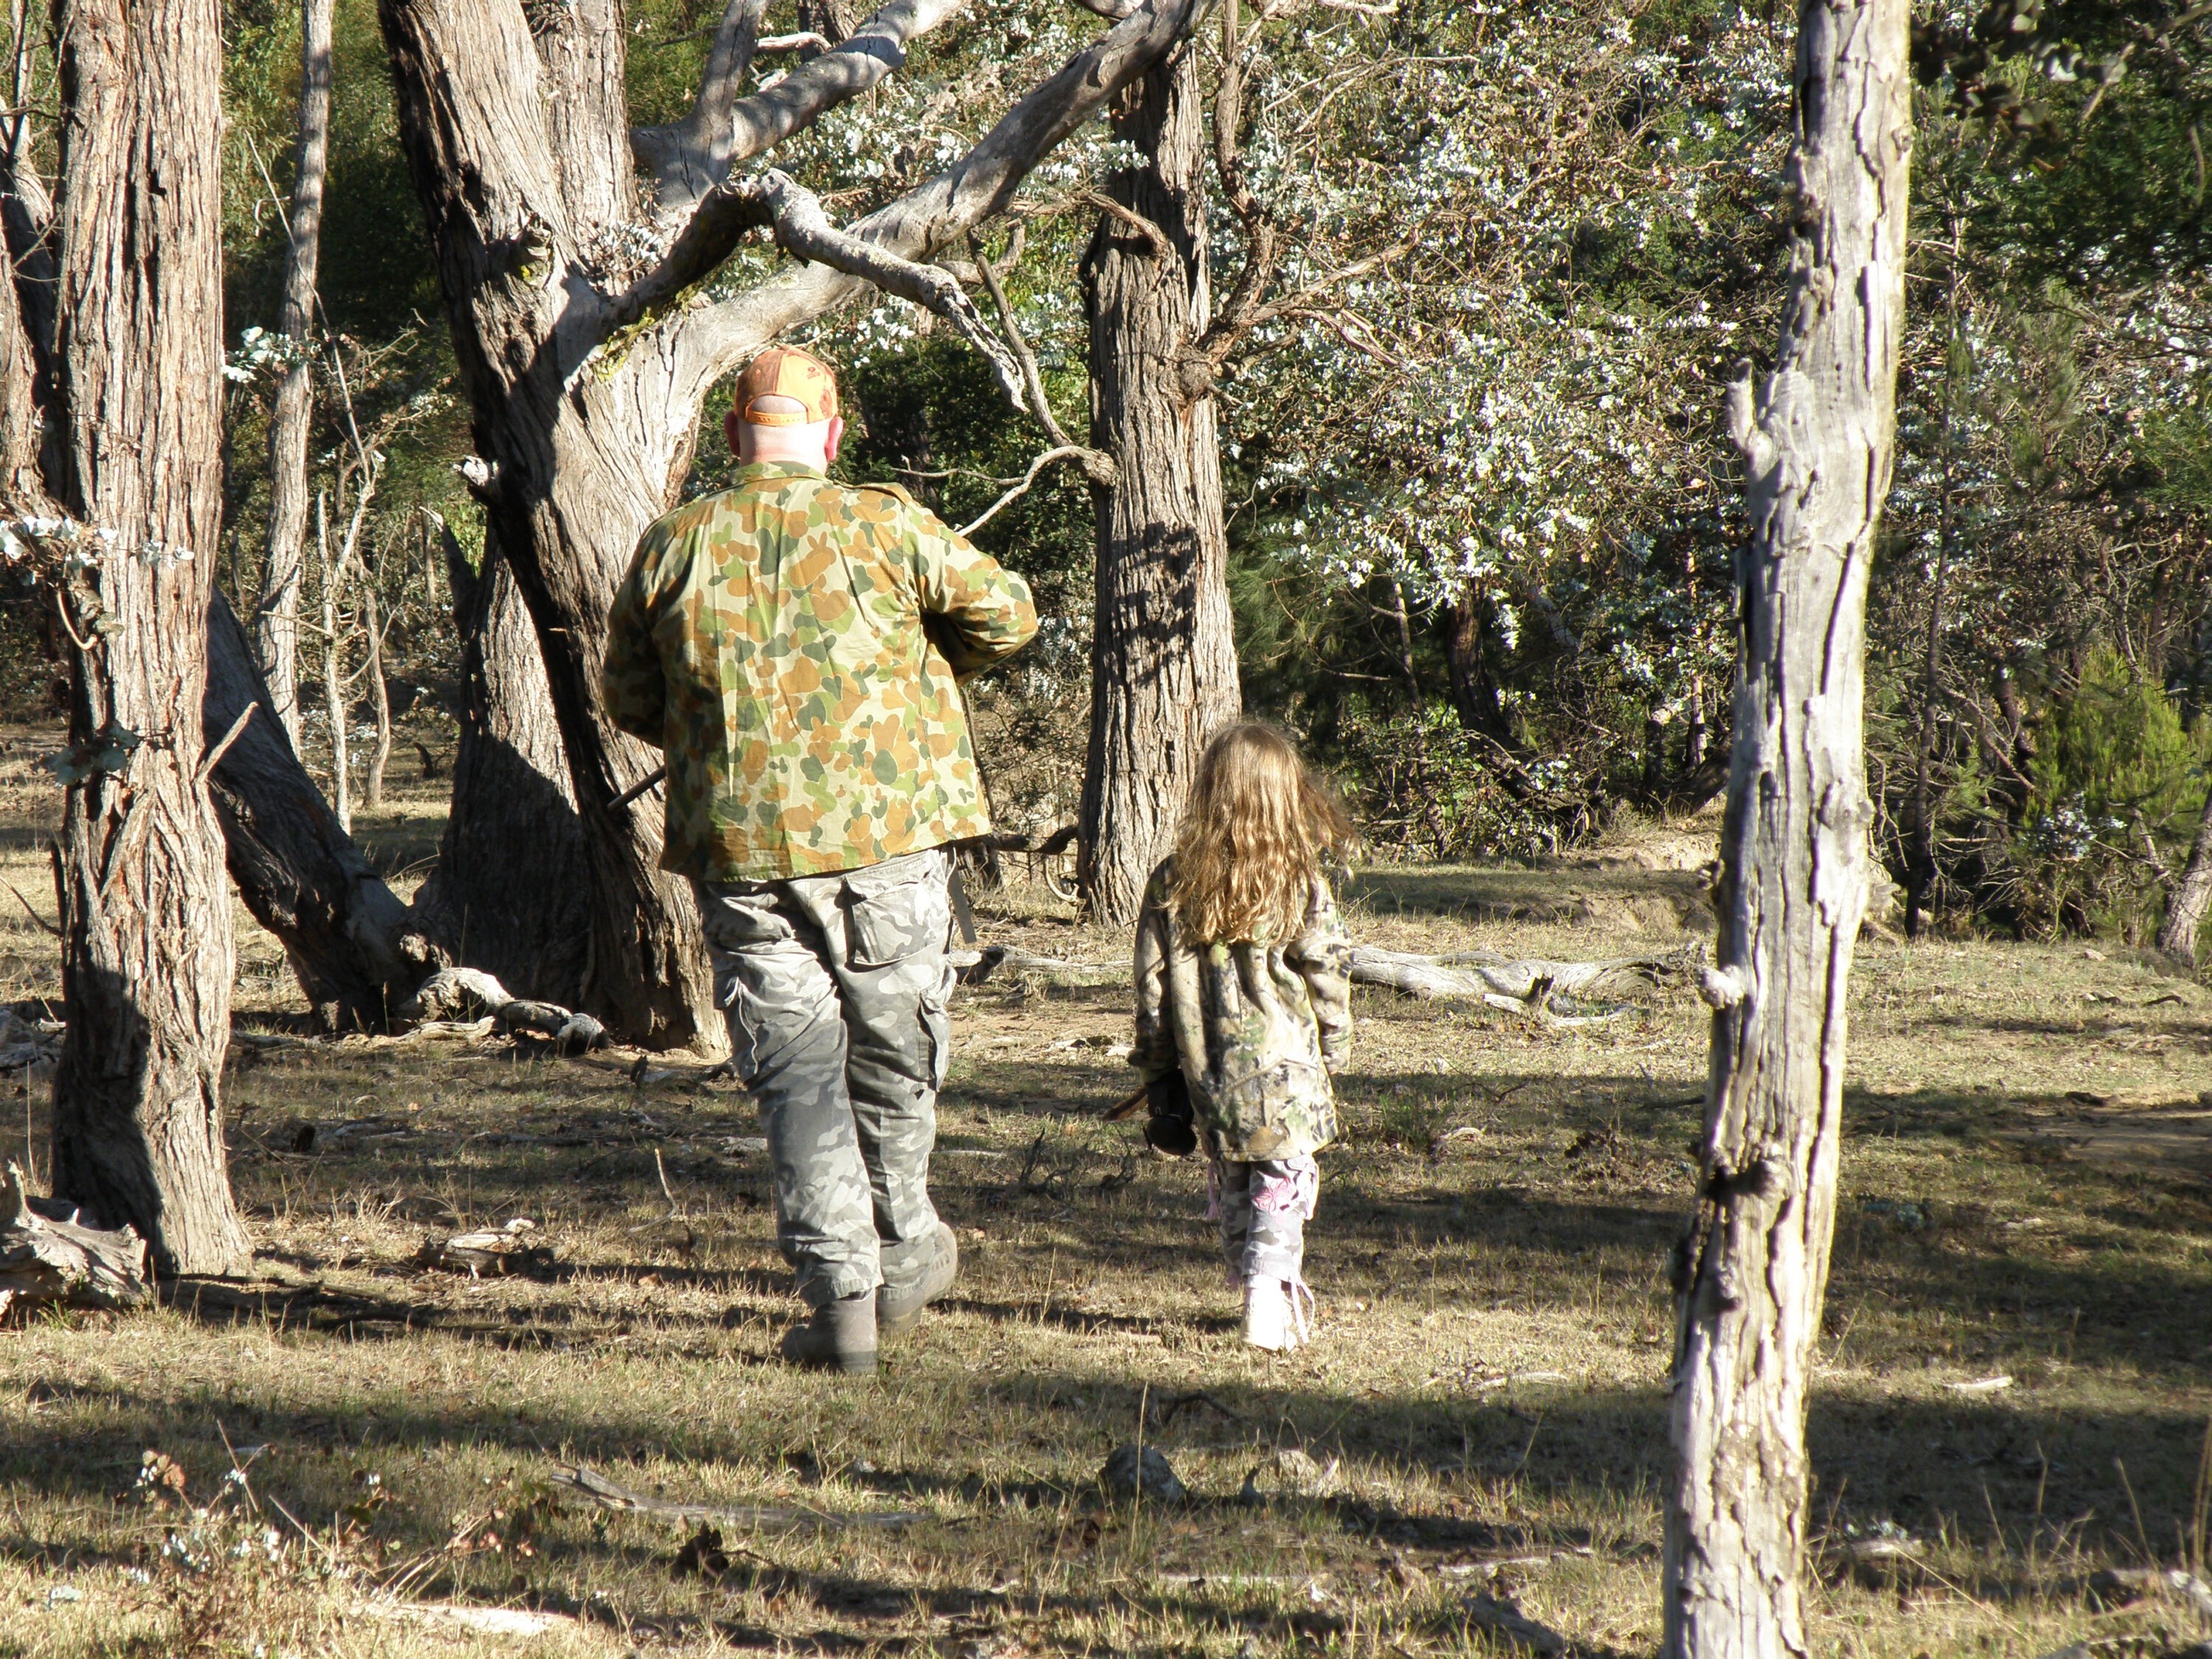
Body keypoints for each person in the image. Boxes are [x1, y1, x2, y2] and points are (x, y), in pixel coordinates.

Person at [603, 345, 1038, 1374]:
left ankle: (843, 1302)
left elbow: (627, 697)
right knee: (894, 1054)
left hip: (742, 848)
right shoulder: (885, 524)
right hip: (889, 841)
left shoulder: (676, 542)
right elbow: (1009, 614)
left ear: (728, 437)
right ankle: (908, 1251)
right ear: (833, 437)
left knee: (796, 1075)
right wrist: (929, 668)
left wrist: (731, 736)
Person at [1130, 722, 1354, 1352]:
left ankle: (1253, 1286)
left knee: (1234, 1179)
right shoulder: (1300, 880)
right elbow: (1329, 972)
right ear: (1284, 796)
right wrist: (1335, 1045)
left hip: (1212, 1076)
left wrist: (1157, 1073)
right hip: (1290, 1075)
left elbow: (1150, 994)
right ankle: (1265, 1294)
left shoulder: (1173, 882)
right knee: (1281, 1183)